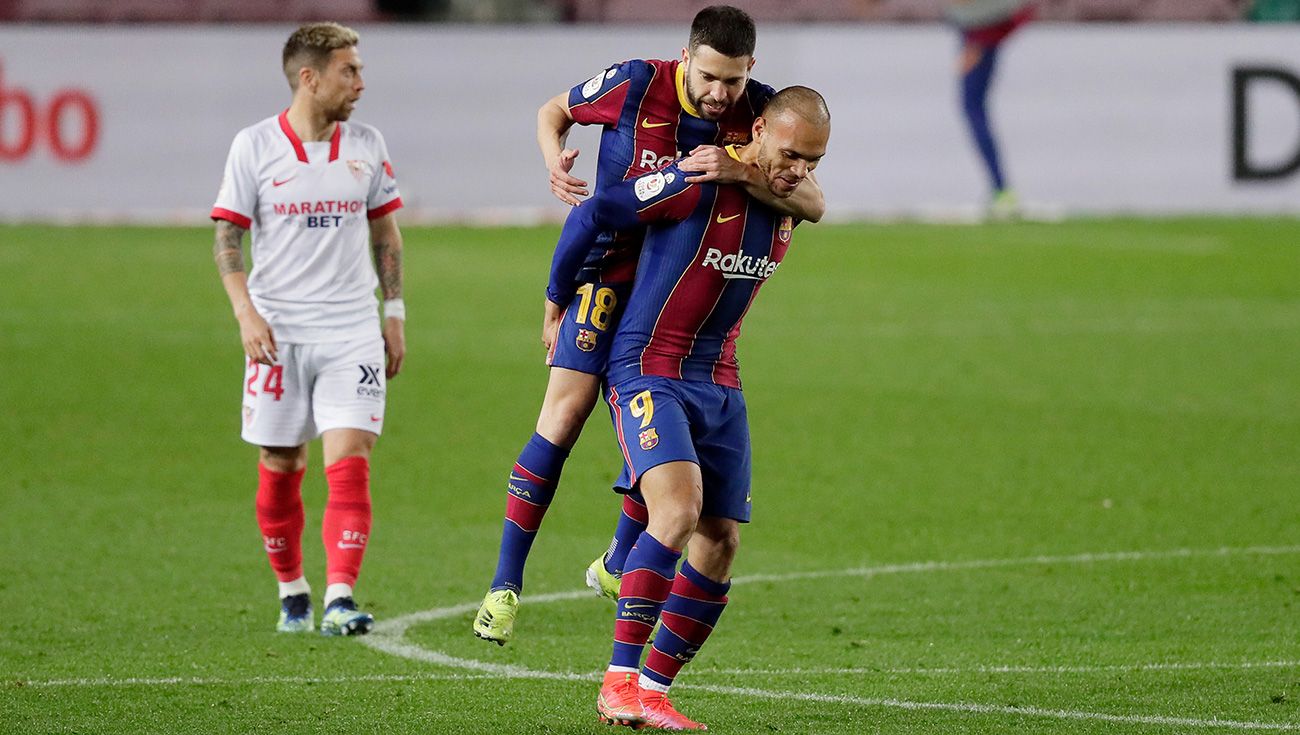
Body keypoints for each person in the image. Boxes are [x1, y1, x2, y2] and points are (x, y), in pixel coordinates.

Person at [473, 5, 825, 646]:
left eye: (735, 82)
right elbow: (553, 110)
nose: (721, 95)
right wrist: (556, 162)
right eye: (711, 78)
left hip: (677, 281)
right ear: (686, 58)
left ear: (753, 71)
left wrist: (741, 171)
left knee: (672, 422)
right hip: (609, 272)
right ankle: (504, 585)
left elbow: (813, 199)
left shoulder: (764, 110)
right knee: (565, 413)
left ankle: (616, 561)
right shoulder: (635, 82)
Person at [550, 86, 830, 730]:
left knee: (721, 542)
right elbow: (597, 214)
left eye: (812, 162)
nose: (799, 171)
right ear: (758, 129)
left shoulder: (786, 196)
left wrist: (770, 175)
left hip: (721, 379)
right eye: (789, 155)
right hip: (649, 366)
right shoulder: (694, 181)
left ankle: (653, 689)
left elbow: (812, 200)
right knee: (678, 511)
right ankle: (617, 682)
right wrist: (556, 299)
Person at [210, 21, 405, 636]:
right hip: (278, 333)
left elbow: (385, 233)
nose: (360, 83)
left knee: (348, 461)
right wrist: (246, 313)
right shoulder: (254, 146)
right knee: (280, 461)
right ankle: (292, 590)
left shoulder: (368, 144)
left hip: (351, 330)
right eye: (350, 70)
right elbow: (227, 235)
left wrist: (393, 313)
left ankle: (340, 596)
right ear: (309, 77)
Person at [947, 0, 1035, 218]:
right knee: (972, 106)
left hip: (983, 26)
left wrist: (973, 42)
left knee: (972, 106)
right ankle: (1001, 189)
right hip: (979, 27)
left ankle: (1002, 190)